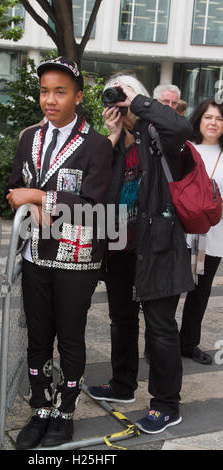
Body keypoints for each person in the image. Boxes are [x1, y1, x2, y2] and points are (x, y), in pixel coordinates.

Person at [6, 57, 113, 449]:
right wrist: (25, 198)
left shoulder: (97, 145)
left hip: (76, 259)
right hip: (35, 255)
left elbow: (93, 204)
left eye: (60, 92)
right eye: (44, 91)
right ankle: (40, 409)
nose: (49, 100)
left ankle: (65, 412)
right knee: (37, 337)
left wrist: (37, 196)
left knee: (70, 337)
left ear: (78, 97)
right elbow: (14, 186)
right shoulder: (28, 138)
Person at [87, 74, 194, 434]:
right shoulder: (114, 144)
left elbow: (183, 126)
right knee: (122, 320)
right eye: (114, 93)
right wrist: (113, 134)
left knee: (161, 330)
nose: (118, 100)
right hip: (120, 249)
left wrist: (140, 104)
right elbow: (94, 179)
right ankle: (122, 384)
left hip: (159, 247)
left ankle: (167, 405)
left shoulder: (159, 135)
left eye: (123, 93)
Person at [179, 98, 223, 365]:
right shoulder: (186, 149)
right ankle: (159, 344)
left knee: (200, 292)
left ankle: (188, 343)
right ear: (199, 119)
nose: (213, 123)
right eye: (208, 117)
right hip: (182, 233)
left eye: (219, 119)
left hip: (213, 236)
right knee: (170, 291)